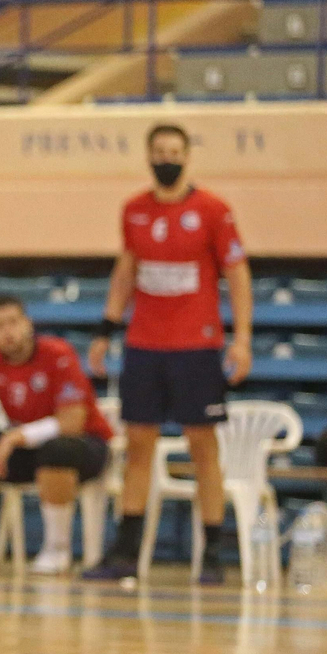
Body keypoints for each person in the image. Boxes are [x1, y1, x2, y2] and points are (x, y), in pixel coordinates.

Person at [82, 123, 253, 586]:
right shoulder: (134, 211)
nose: (166, 158)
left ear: (187, 156)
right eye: (159, 151)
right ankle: (125, 555)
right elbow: (127, 270)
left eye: (174, 151)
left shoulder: (214, 211)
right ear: (148, 156)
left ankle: (213, 553)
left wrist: (242, 339)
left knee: (203, 449)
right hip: (143, 345)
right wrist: (105, 330)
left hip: (196, 346)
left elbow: (237, 274)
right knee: (138, 448)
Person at [0, 296, 113, 573]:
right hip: (26, 448)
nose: (8, 331)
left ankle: (57, 550)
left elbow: (72, 422)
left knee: (58, 449)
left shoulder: (58, 353)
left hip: (86, 447)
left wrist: (12, 438)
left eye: (13, 322)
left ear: (28, 325)